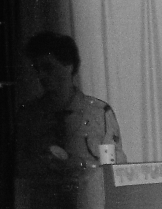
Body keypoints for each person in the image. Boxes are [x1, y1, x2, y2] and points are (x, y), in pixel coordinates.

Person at [16, 31, 127, 176]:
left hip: (88, 188)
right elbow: (19, 170)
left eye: (48, 68)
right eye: (37, 69)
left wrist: (82, 165)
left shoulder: (99, 113)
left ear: (69, 66)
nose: (41, 76)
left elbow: (116, 169)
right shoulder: (29, 116)